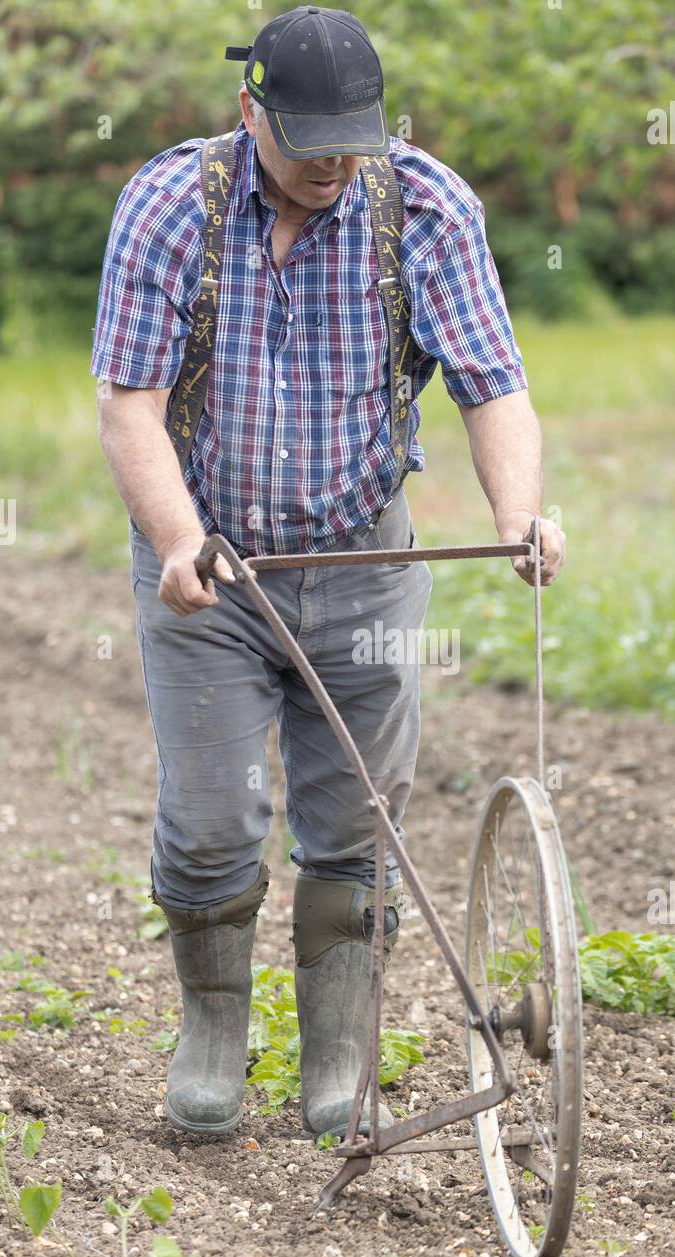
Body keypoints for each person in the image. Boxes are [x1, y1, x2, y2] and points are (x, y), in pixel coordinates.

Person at [91, 4, 566, 1141]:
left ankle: (336, 1053)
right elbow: (130, 405)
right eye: (308, 144)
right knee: (212, 821)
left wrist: (520, 518)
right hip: (215, 565)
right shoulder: (169, 207)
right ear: (248, 110)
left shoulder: (425, 206)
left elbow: (490, 382)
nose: (333, 166)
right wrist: (172, 540)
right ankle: (212, 1030)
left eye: (353, 140)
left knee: (356, 823)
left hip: (365, 559)